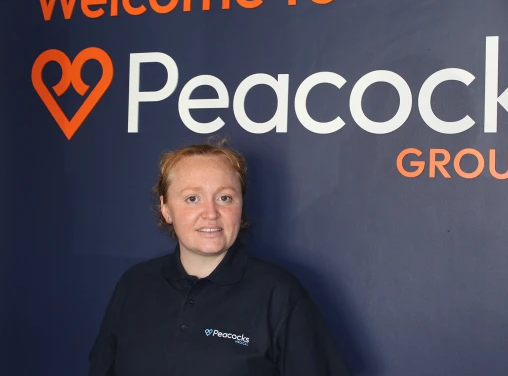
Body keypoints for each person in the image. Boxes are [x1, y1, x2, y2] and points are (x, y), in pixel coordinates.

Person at [88, 138, 351, 376]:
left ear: (241, 206)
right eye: (192, 198)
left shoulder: (280, 294)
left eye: (225, 198)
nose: (211, 212)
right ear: (166, 209)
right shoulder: (134, 284)